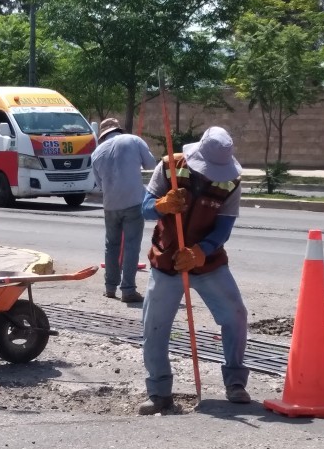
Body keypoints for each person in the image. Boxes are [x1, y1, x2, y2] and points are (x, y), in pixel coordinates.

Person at [139, 126, 249, 415]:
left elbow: (224, 227)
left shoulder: (231, 182)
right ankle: (159, 392)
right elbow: (144, 208)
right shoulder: (169, 167)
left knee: (236, 315)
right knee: (154, 327)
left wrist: (201, 251)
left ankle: (235, 382)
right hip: (167, 262)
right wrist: (161, 205)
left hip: (208, 262)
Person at [91, 117, 158, 303]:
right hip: (134, 202)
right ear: (118, 130)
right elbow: (151, 165)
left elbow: (99, 184)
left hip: (110, 204)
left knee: (111, 246)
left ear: (103, 135)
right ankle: (128, 290)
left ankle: (110, 288)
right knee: (131, 245)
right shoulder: (133, 140)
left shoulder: (96, 153)